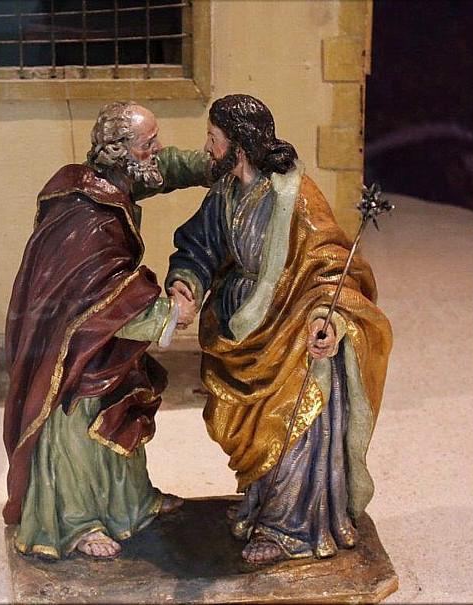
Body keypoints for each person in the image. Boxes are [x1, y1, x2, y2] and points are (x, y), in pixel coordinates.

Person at [166, 94, 392, 564]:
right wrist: (186, 285)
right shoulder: (226, 192)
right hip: (241, 327)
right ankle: (262, 504)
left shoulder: (296, 196)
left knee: (292, 424)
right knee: (251, 426)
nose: (207, 148)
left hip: (292, 328)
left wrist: (328, 317)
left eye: (213, 138)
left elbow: (334, 266)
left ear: (239, 146)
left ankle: (289, 527)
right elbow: (199, 246)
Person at [3, 101, 208, 560]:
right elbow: (101, 298)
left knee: (122, 412)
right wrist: (168, 313)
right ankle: (75, 523)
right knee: (79, 428)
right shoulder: (88, 216)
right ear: (120, 152)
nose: (157, 149)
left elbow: (167, 167)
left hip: (102, 341)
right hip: (71, 351)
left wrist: (210, 166)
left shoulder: (117, 179)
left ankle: (132, 505)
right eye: (148, 143)